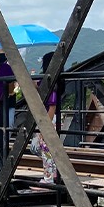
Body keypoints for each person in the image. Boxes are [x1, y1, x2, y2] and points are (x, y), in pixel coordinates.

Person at [30, 51, 60, 184]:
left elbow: (52, 105)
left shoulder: (51, 81)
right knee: (43, 149)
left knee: (46, 150)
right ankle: (52, 175)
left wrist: (45, 127)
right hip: (49, 116)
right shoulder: (52, 79)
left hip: (49, 117)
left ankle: (49, 178)